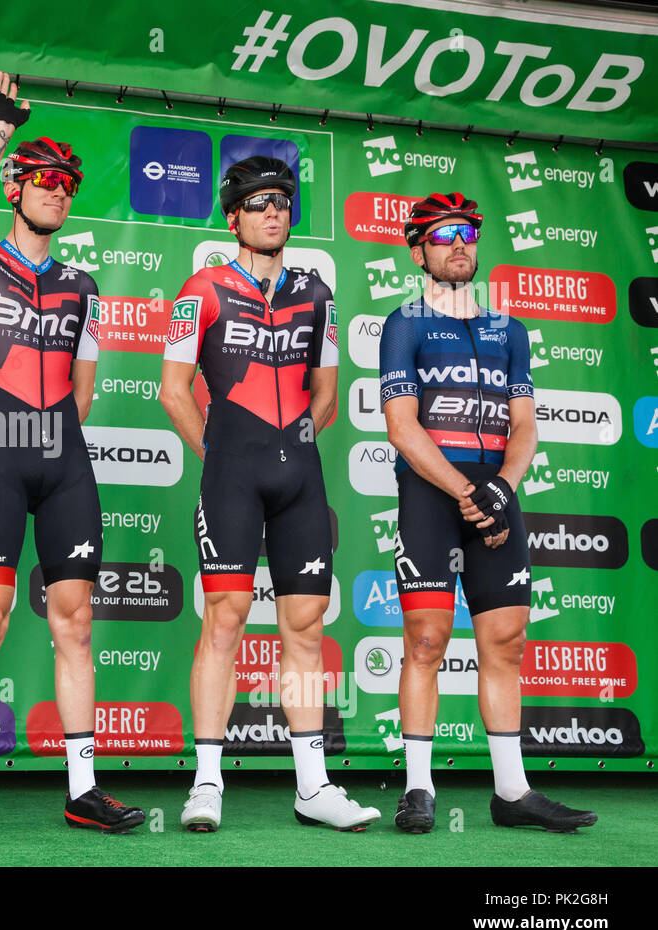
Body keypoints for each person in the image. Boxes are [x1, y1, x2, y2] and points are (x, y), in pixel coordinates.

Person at [0, 72, 143, 835]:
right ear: (17, 188)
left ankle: (83, 786)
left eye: (68, 184)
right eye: (45, 179)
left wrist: (51, 436)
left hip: (62, 458)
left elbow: (83, 389)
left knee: (75, 621)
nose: (58, 191)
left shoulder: (82, 283)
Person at [161, 155, 380, 832]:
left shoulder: (318, 293)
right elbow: (173, 390)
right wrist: (221, 454)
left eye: (281, 201)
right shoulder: (200, 289)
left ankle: (312, 786)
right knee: (224, 619)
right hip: (231, 471)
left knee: (306, 628)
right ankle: (206, 782)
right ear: (233, 218)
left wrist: (293, 445)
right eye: (257, 203)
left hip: (300, 477)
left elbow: (329, 395)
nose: (272, 212)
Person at [381, 192, 596, 833]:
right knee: (425, 642)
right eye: (443, 235)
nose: (458, 245)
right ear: (418, 249)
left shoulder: (512, 331)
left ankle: (511, 791)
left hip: (497, 496)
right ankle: (418, 787)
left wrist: (501, 485)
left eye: (468, 234)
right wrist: (465, 491)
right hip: (431, 495)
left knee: (506, 643)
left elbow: (524, 424)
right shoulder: (406, 322)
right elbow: (402, 426)